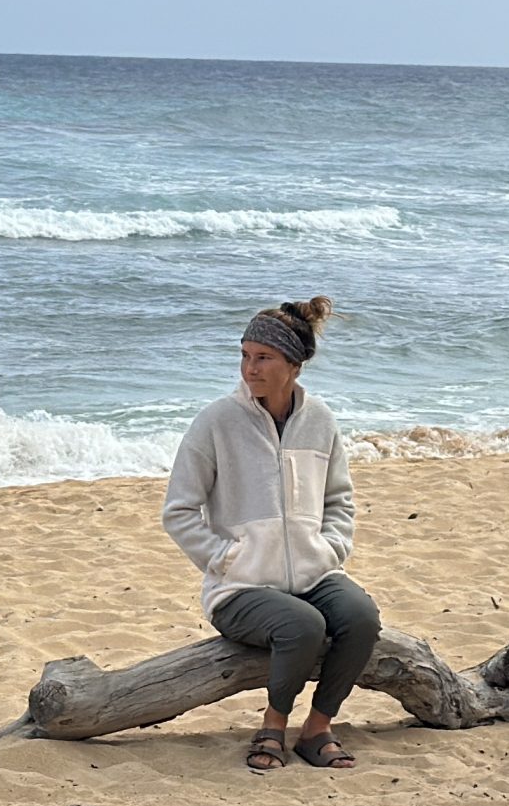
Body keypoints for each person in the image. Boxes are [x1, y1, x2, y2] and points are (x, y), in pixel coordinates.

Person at [161, 296, 378, 772]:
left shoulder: (319, 420)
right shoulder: (217, 421)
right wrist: (225, 558)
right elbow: (178, 510)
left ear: (294, 365)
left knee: (361, 617)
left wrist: (332, 547)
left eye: (263, 358)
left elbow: (339, 500)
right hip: (240, 586)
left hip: (313, 573)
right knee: (302, 626)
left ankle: (317, 727)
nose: (249, 368)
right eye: (244, 355)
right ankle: (274, 725)